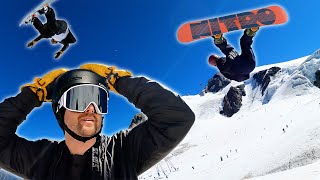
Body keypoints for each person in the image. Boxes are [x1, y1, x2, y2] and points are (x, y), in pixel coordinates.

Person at [0, 63, 195, 179]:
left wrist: (117, 80)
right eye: (79, 100)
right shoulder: (40, 158)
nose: (91, 108)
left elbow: (177, 118)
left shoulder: (123, 151)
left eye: (98, 100)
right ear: (60, 109)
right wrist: (33, 94)